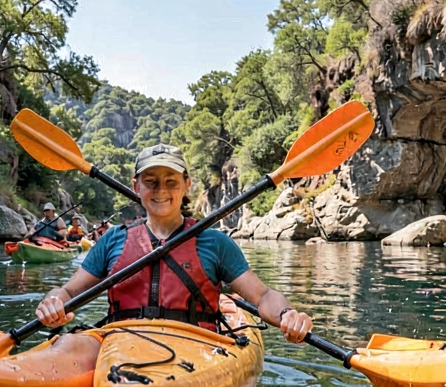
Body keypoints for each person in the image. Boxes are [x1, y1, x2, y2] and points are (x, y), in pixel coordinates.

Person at [35, 143, 313, 343]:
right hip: (119, 346)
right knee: (70, 341)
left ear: (186, 184)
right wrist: (53, 302)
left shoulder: (214, 242)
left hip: (197, 347)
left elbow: (263, 296)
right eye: (151, 182)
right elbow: (69, 292)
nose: (161, 190)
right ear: (136, 186)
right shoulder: (112, 240)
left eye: (171, 181)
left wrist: (288, 314)